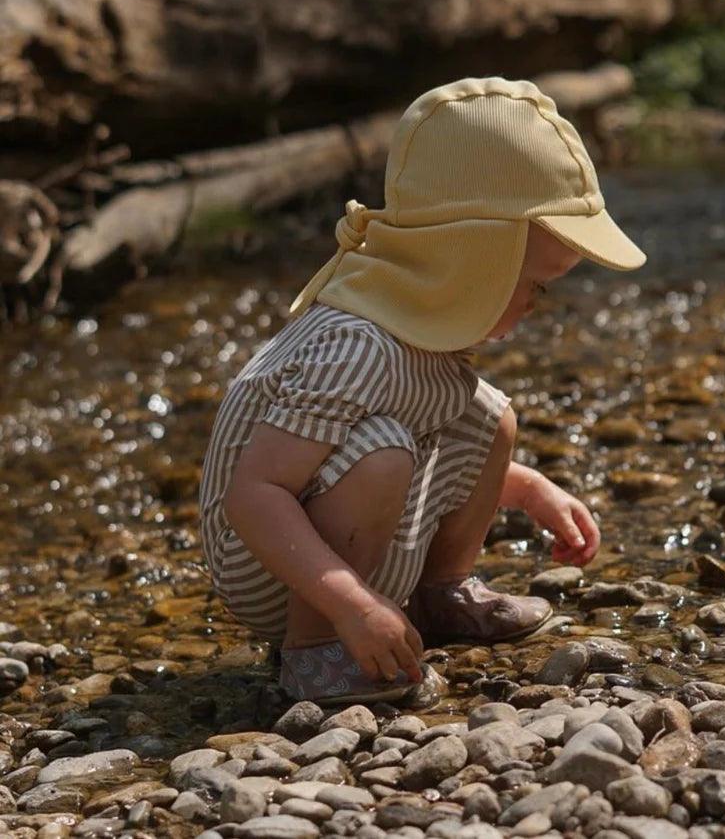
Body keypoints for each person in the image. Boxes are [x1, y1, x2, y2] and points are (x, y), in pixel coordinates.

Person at [199, 76, 647, 705]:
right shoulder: (357, 345)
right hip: (270, 561)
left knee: (490, 416)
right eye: (532, 286)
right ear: (470, 263)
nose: (536, 307)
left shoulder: (422, 332)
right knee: (383, 451)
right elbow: (255, 495)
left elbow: (433, 440)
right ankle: (315, 649)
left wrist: (529, 489)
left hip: (331, 532)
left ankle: (441, 596)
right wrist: (352, 605)